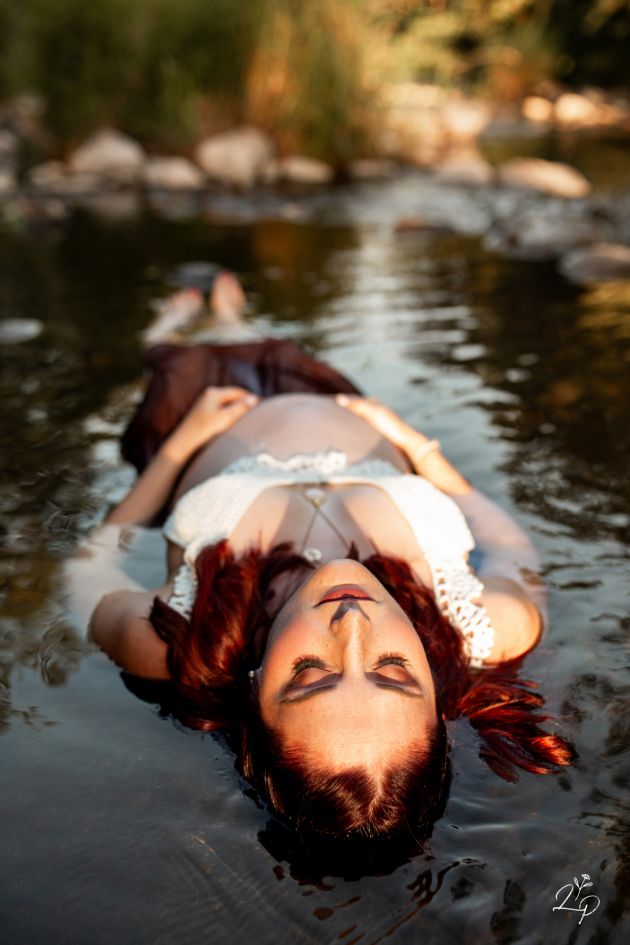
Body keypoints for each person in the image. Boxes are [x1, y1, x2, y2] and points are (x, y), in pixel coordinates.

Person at [69, 271, 572, 842]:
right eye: (392, 669)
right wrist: (413, 444)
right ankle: (230, 313)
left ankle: (173, 319)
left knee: (173, 358)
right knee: (269, 345)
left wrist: (182, 444)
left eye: (310, 671)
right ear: (437, 695)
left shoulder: (174, 643)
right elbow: (510, 547)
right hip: (326, 393)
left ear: (255, 695)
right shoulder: (486, 630)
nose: (351, 625)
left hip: (190, 412)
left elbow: (87, 568)